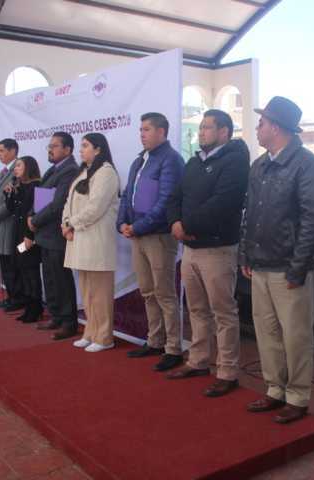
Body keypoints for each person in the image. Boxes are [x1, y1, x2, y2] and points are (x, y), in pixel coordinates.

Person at [239, 96, 314, 424]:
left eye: (261, 123)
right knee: (267, 334)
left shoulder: (308, 166)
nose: (257, 128)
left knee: (295, 336)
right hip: (260, 264)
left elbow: (313, 221)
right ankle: (275, 389)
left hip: (289, 269)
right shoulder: (259, 165)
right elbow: (249, 213)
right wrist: (246, 253)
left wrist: (298, 268)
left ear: (276, 127)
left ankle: (298, 397)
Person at [166, 109, 249, 397]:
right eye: (200, 127)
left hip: (217, 249)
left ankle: (227, 372)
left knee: (223, 313)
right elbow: (175, 197)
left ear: (224, 132)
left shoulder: (235, 161)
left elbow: (223, 203)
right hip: (190, 248)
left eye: (207, 127)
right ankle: (199, 360)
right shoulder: (194, 162)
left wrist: (187, 225)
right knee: (196, 310)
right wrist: (175, 223)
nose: (201, 132)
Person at [117, 113, 185, 371]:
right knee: (147, 291)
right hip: (138, 235)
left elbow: (166, 201)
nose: (141, 134)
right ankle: (155, 340)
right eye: (141, 129)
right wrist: (121, 223)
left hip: (158, 236)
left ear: (162, 132)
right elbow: (127, 196)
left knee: (165, 293)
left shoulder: (171, 160)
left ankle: (173, 348)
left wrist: (137, 227)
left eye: (147, 129)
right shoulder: (140, 160)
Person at [62, 133, 120, 352]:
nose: (81, 149)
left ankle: (104, 337)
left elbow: (96, 207)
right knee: (87, 291)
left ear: (98, 149)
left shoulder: (106, 172)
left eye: (85, 146)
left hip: (96, 240)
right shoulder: (84, 172)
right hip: (80, 238)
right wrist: (65, 223)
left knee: (100, 293)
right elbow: (68, 203)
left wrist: (71, 224)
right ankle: (91, 332)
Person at [28, 132, 79, 341]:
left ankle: (68, 322)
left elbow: (57, 204)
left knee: (61, 279)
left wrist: (35, 220)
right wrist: (31, 215)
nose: (50, 149)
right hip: (44, 233)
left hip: (57, 233)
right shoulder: (53, 169)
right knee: (49, 277)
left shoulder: (70, 171)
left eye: (55, 146)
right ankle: (56, 316)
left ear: (67, 149)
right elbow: (40, 197)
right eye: (49, 146)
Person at [3, 155, 43, 323]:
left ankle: (36, 308)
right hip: (18, 235)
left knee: (31, 271)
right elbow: (11, 209)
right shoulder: (20, 186)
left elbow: (39, 214)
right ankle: (28, 307)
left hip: (30, 236)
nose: (15, 169)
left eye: (19, 165)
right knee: (22, 270)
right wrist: (9, 194)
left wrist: (30, 237)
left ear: (29, 167)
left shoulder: (39, 186)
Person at [0, 139, 25, 311]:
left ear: (13, 151)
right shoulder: (3, 171)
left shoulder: (17, 170)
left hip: (9, 224)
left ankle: (17, 299)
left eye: (1, 150)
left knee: (12, 264)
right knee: (4, 264)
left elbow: (13, 200)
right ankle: (10, 297)